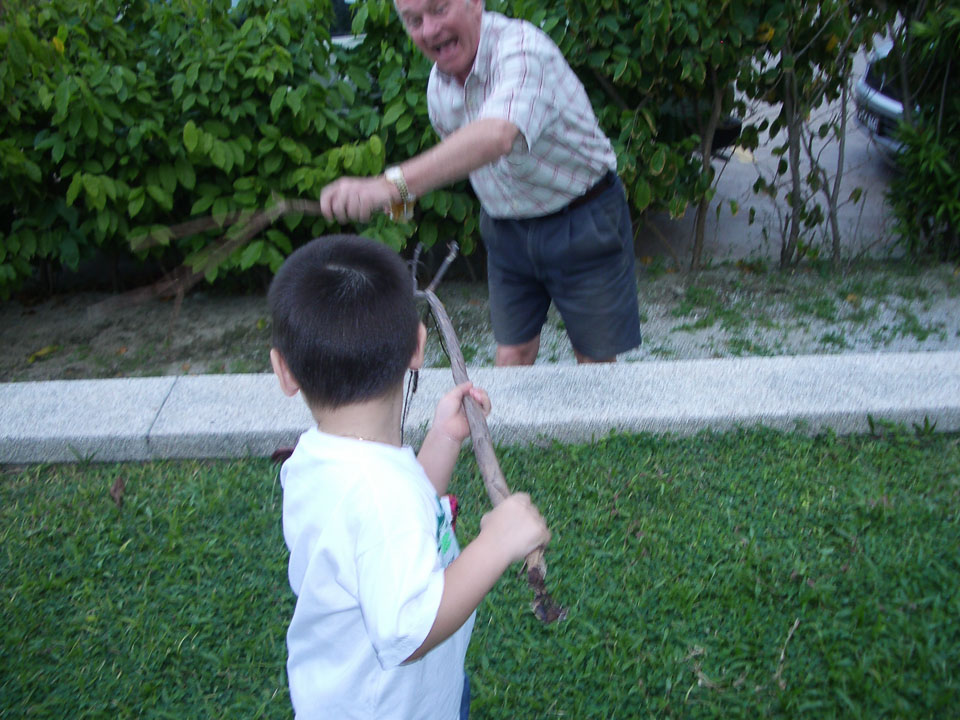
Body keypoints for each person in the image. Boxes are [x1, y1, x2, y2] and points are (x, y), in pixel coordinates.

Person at [268, 234, 551, 719]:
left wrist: (443, 438)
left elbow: (395, 523)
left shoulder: (324, 458)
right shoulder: (380, 494)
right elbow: (409, 631)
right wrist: (496, 544)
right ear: (418, 347)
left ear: (284, 371)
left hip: (353, 696)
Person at [319, 0, 641, 366]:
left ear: (475, 3)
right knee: (512, 353)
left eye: (439, 9)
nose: (429, 30)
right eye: (414, 20)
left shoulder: (522, 49)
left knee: (594, 360)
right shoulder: (439, 89)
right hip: (506, 229)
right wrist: (388, 204)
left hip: (582, 218)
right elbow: (462, 159)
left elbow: (496, 136)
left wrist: (392, 185)